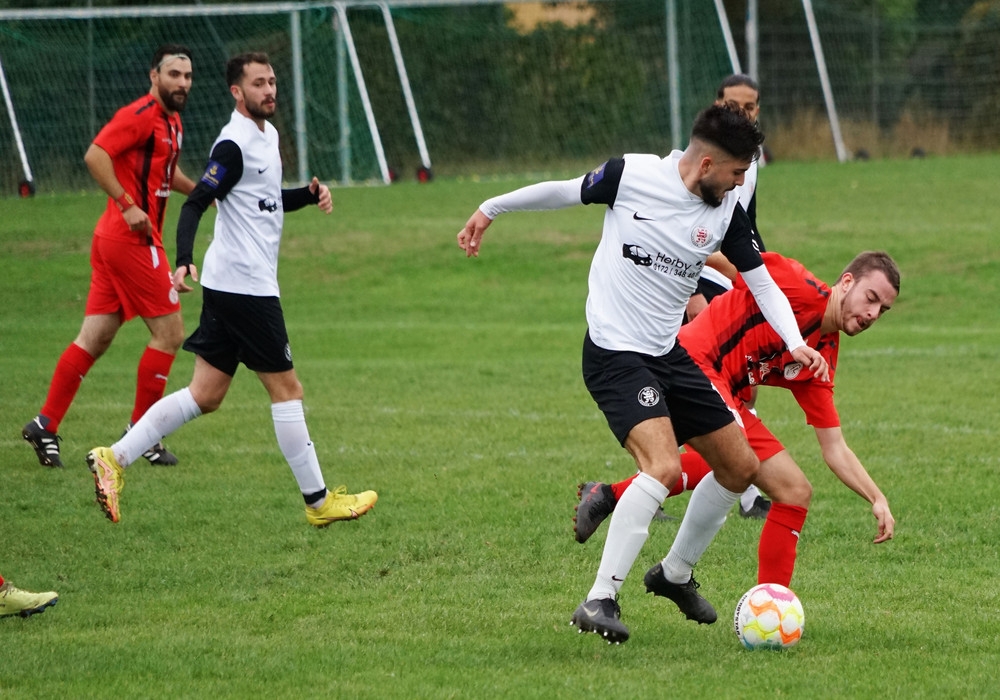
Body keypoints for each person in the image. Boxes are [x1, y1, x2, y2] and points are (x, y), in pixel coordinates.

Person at [457, 105, 828, 644]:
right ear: (706, 164)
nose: (740, 183)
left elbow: (761, 281)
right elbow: (563, 191)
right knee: (662, 466)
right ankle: (599, 599)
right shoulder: (631, 175)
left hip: (668, 354)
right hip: (615, 354)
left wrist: (794, 343)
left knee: (739, 467)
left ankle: (673, 574)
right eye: (736, 172)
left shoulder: (725, 210)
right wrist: (490, 208)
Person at [84, 52, 378, 528]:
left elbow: (263, 200)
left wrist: (307, 195)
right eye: (258, 84)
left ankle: (112, 458)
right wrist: (184, 259)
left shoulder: (268, 136)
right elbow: (197, 202)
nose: (270, 90)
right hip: (245, 287)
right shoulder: (232, 144)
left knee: (205, 394)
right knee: (287, 389)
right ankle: (319, 501)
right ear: (237, 92)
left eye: (272, 81)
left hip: (234, 285)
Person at [574, 251, 899, 589]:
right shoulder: (794, 283)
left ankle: (770, 604)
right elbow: (723, 257)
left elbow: (835, 447)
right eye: (871, 298)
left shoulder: (822, 356)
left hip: (726, 394)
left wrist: (877, 497)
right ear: (846, 282)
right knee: (734, 457)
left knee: (794, 490)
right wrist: (686, 284)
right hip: (690, 365)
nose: (873, 314)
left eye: (883, 309)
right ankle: (629, 525)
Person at [22, 44, 196, 468]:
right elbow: (95, 154)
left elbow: (165, 170)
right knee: (170, 333)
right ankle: (143, 435)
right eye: (174, 74)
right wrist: (127, 203)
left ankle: (44, 424)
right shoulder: (140, 115)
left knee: (95, 337)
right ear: (153, 77)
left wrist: (202, 193)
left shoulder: (172, 121)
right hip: (131, 240)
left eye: (188, 76)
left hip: (114, 241)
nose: (182, 83)